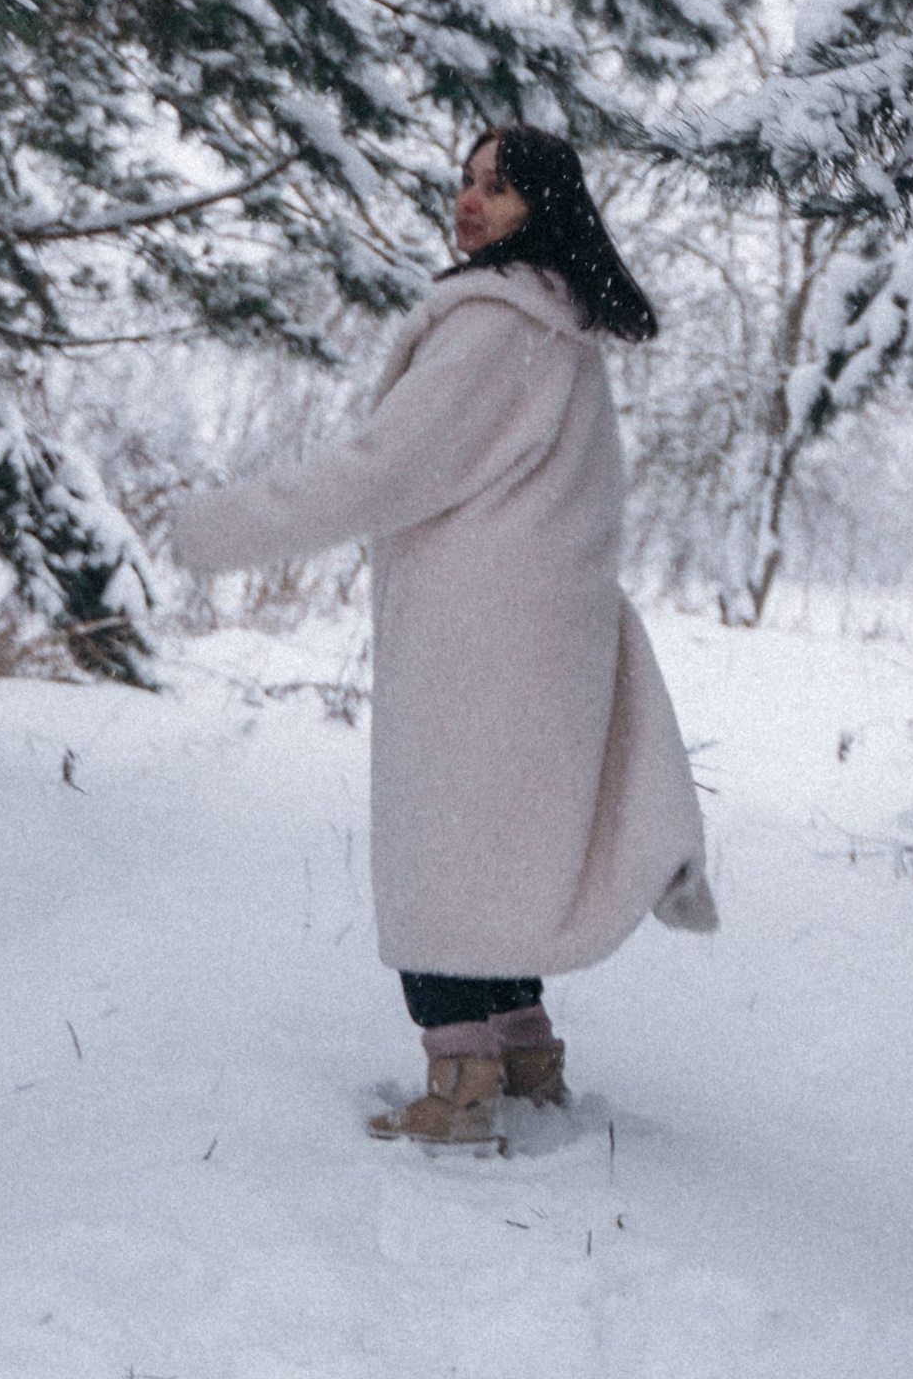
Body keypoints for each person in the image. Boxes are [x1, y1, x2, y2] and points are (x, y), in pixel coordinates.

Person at [169, 124, 715, 1144]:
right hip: (543, 634)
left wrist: (221, 528)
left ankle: (460, 1083)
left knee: (444, 845)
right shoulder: (559, 333)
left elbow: (380, 470)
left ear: (543, 208)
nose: (469, 199)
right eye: (466, 180)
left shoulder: (493, 327)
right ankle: (523, 1050)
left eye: (498, 188)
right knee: (499, 846)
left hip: (473, 639)